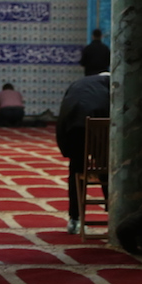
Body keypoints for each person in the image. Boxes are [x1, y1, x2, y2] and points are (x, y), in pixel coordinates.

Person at [56, 71, 110, 233]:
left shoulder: (79, 83)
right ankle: (114, 210)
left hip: (72, 126)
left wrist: (65, 146)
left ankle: (74, 219)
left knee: (76, 170)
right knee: (107, 165)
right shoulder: (113, 86)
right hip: (99, 127)